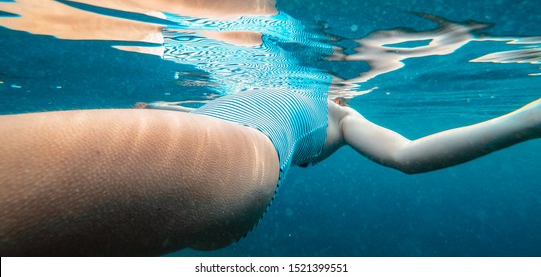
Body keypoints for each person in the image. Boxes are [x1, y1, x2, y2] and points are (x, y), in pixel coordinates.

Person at [0, 87, 540, 256]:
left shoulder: (342, 113)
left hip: (230, 160)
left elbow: (408, 156)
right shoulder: (239, 92)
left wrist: (526, 120)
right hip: (214, 169)